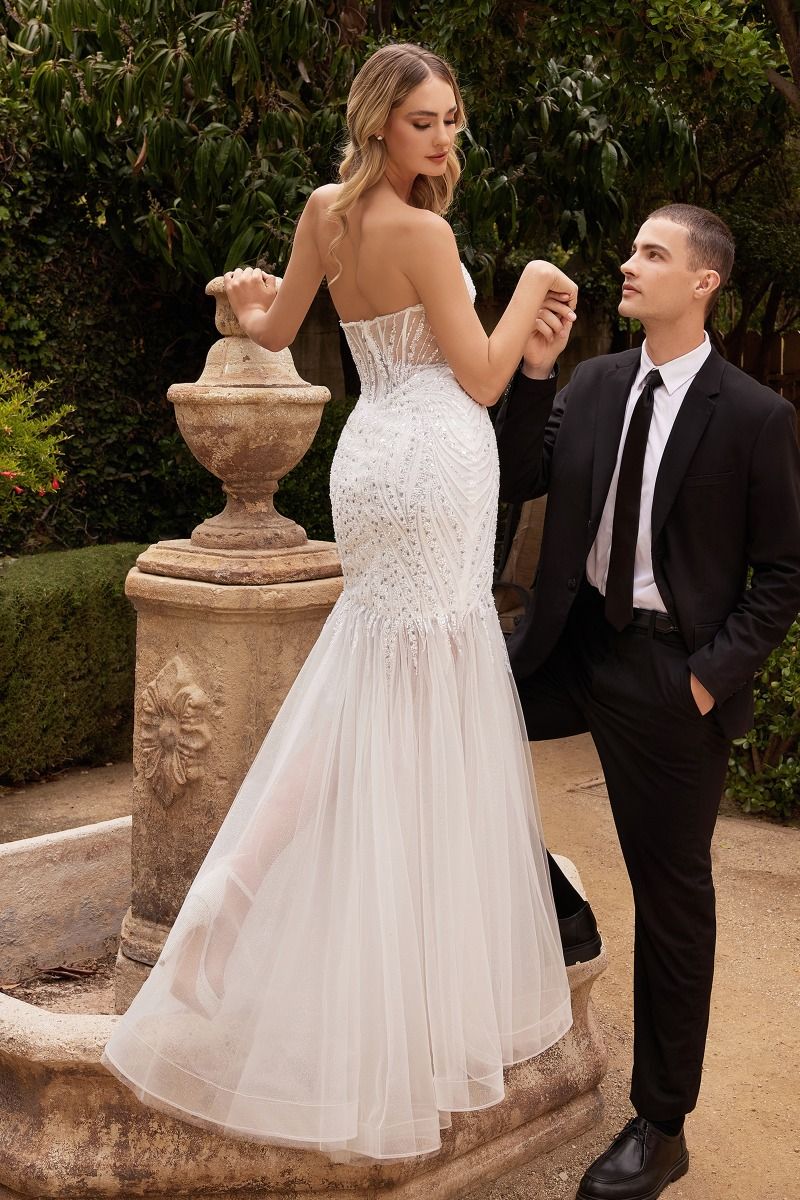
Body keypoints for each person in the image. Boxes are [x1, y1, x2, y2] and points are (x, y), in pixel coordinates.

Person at [101, 43, 582, 1161]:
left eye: (452, 122)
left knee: (365, 680)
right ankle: (412, 975)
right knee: (429, 697)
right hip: (436, 462)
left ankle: (237, 889)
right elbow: (478, 375)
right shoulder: (425, 233)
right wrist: (523, 290)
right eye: (425, 122)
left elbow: (269, 338)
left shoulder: (323, 212)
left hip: (368, 459)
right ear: (378, 123)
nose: (444, 141)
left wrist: (256, 295)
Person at [495, 203, 800, 1200]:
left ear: (701, 281)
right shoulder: (588, 382)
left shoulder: (753, 415)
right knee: (443, 726)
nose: (626, 265)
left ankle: (660, 1126)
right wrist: (531, 374)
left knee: (673, 904)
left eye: (650, 255)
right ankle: (559, 906)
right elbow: (514, 473)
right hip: (569, 642)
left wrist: (707, 677)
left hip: (670, 675)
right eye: (630, 250)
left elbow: (782, 570)